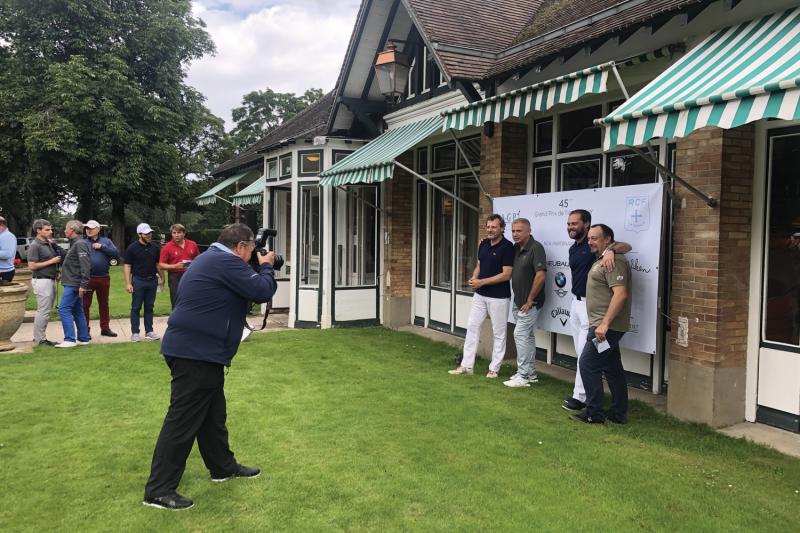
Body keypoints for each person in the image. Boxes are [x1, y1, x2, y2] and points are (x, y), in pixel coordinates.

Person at [143, 223, 277, 511]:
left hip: (200, 350)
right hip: (196, 352)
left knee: (213, 415)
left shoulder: (210, 258)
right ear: (241, 246)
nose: (255, 253)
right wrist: (265, 266)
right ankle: (158, 490)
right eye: (253, 248)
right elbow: (261, 290)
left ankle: (222, 467)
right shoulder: (225, 261)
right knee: (182, 421)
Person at [561, 209, 630, 412]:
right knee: (607, 363)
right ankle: (617, 410)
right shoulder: (576, 249)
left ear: (586, 224)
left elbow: (627, 246)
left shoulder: (605, 253)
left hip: (595, 313)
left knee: (587, 358)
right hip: (577, 304)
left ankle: (582, 399)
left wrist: (611, 250)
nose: (570, 227)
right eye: (568, 224)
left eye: (574, 223)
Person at [449, 214, 514, 378]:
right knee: (472, 327)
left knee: (498, 333)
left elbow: (507, 275)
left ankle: (494, 369)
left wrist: (482, 282)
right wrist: (474, 278)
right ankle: (466, 366)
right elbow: (479, 265)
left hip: (499, 297)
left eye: (494, 227)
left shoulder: (508, 247)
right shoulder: (483, 244)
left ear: (502, 228)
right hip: (480, 295)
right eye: (488, 227)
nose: (490, 230)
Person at [504, 218, 547, 388]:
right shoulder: (516, 248)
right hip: (518, 301)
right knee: (527, 337)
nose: (515, 234)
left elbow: (540, 275)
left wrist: (530, 300)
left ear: (528, 231)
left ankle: (522, 376)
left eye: (519, 231)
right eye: (513, 231)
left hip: (531, 303)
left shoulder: (536, 248)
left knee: (520, 335)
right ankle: (530, 374)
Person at [26, 219, 64, 346]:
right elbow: (31, 265)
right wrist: (51, 261)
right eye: (47, 230)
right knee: (43, 311)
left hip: (50, 279)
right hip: (41, 281)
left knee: (46, 310)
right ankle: (39, 339)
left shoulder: (48, 243)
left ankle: (40, 336)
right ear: (38, 230)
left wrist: (56, 272)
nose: (51, 232)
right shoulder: (35, 245)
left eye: (50, 229)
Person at [124, 223, 164, 342]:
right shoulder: (132, 248)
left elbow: (157, 264)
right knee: (136, 307)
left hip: (152, 280)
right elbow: (127, 266)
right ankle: (135, 332)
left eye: (150, 233)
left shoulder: (155, 247)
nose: (149, 235)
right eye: (146, 234)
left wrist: (162, 278)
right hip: (138, 280)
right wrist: (128, 283)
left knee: (149, 307)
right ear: (139, 234)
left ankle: (149, 331)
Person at [55, 220, 91, 348]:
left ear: (72, 229)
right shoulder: (75, 243)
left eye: (66, 228)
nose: (64, 231)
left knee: (64, 309)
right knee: (78, 311)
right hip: (73, 282)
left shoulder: (80, 243)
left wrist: (83, 285)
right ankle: (84, 338)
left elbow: (85, 266)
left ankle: (70, 339)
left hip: (74, 284)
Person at [82, 220, 120, 337]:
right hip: (87, 278)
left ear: (98, 229)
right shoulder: (82, 242)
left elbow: (116, 254)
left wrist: (102, 247)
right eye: (87, 228)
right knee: (85, 305)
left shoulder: (106, 241)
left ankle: (105, 328)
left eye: (91, 228)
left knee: (104, 303)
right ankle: (85, 329)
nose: (88, 230)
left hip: (103, 277)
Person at [158, 223, 200, 307]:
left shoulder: (192, 244)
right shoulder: (167, 247)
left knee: (191, 299)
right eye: (174, 233)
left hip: (190, 275)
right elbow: (161, 265)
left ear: (184, 233)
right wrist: (175, 266)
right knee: (176, 300)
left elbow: (198, 259)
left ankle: (190, 319)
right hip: (175, 277)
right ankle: (176, 319)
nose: (176, 235)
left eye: (179, 232)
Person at [0, 216, 17, 282]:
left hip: (3, 272)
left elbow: (7, 254)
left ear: (1, 225)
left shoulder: (7, 236)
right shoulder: (2, 236)